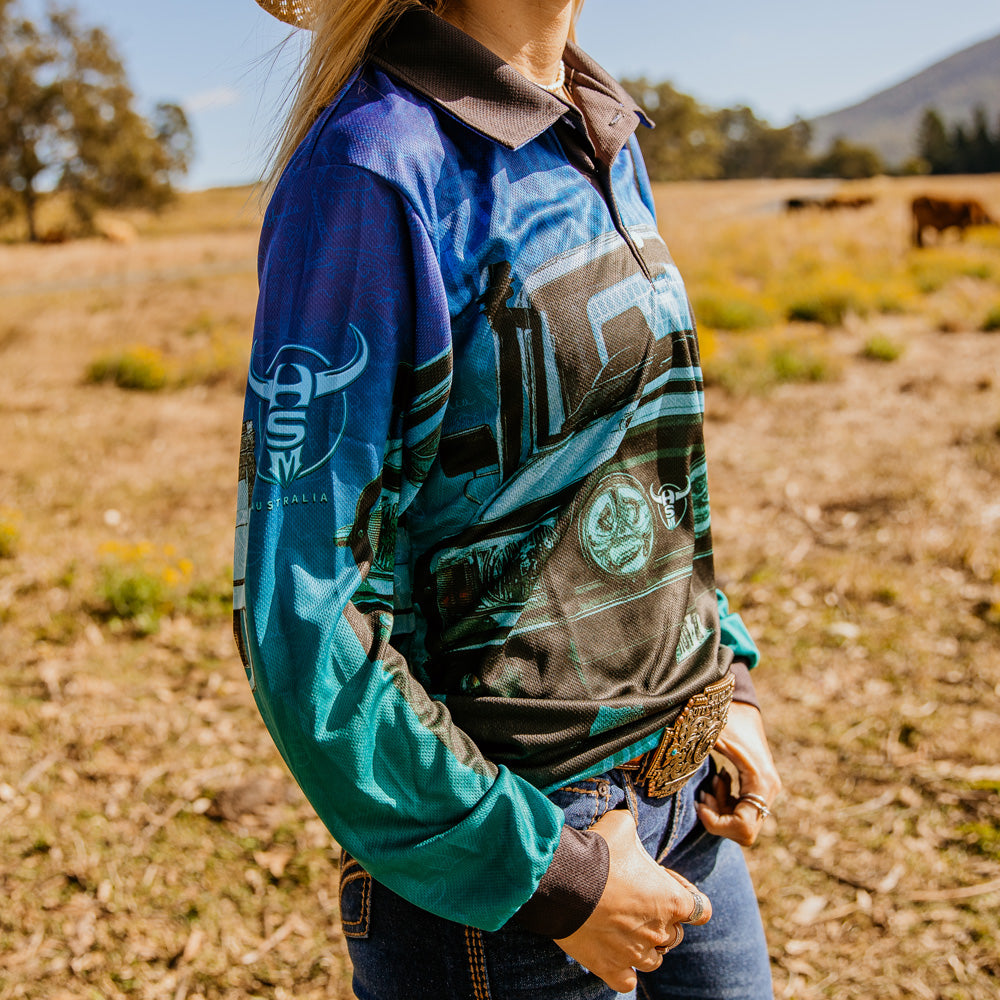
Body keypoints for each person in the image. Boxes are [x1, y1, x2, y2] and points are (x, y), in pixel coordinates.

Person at [232, 1, 782, 997]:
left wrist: (725, 681)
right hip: (513, 871)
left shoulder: (599, 127)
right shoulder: (371, 167)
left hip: (687, 802)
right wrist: (555, 875)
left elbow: (634, 464)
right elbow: (304, 612)